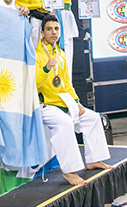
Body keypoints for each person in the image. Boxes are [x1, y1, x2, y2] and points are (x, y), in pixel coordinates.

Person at [35, 15, 112, 186]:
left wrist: (76, 101)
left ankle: (93, 160)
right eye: (49, 29)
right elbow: (33, 84)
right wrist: (46, 68)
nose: (53, 32)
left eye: (56, 29)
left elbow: (66, 82)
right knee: (65, 124)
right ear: (42, 33)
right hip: (45, 105)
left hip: (64, 102)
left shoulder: (60, 53)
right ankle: (69, 171)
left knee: (92, 118)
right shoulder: (35, 54)